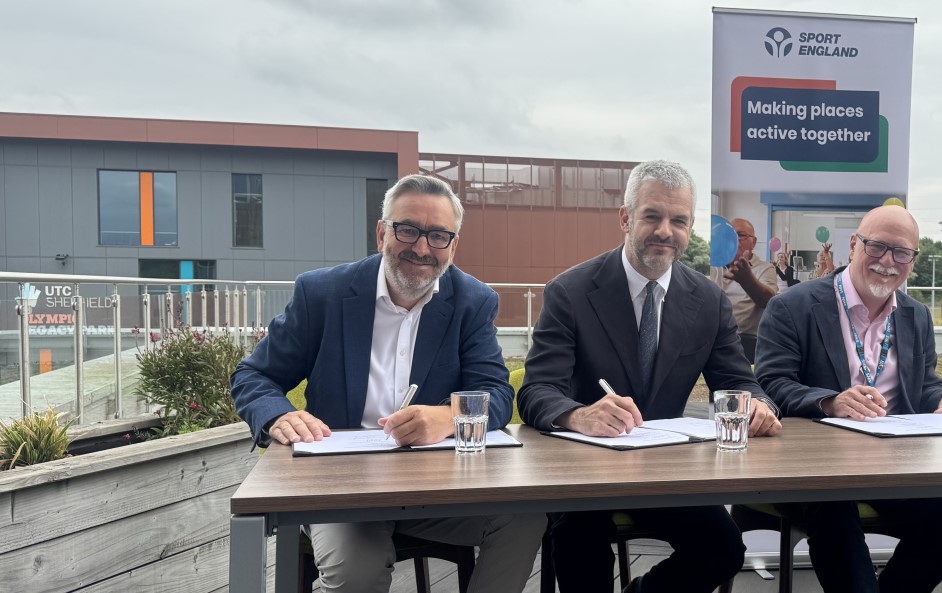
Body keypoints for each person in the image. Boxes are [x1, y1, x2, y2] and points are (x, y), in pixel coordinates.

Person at [231, 174, 545, 593]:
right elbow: (254, 375)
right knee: (355, 575)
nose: (421, 248)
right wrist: (278, 414)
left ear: (453, 245)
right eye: (408, 229)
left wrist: (447, 416)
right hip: (342, 489)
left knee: (523, 519)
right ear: (382, 232)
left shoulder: (473, 302)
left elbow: (498, 393)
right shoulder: (323, 293)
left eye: (438, 236)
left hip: (439, 487)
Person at [518, 160, 782, 593]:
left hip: (667, 471)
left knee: (723, 547)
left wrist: (757, 404)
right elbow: (536, 391)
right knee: (579, 549)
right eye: (652, 216)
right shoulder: (570, 292)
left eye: (678, 220)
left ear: (689, 227)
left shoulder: (709, 302)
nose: (665, 231)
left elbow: (739, 381)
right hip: (586, 473)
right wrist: (577, 415)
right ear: (625, 218)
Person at [755, 205, 942, 593]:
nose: (888, 261)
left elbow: (923, 386)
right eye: (877, 247)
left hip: (896, 464)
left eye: (902, 252)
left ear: (913, 260)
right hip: (817, 466)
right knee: (834, 510)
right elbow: (772, 383)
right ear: (854, 245)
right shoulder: (791, 306)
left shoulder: (916, 316)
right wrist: (830, 402)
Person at [709, 217, 778, 362]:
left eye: (740, 235)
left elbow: (770, 301)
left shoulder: (765, 268)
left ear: (753, 242)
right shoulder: (713, 266)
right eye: (729, 235)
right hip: (712, 339)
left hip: (747, 343)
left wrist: (747, 280)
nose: (734, 239)